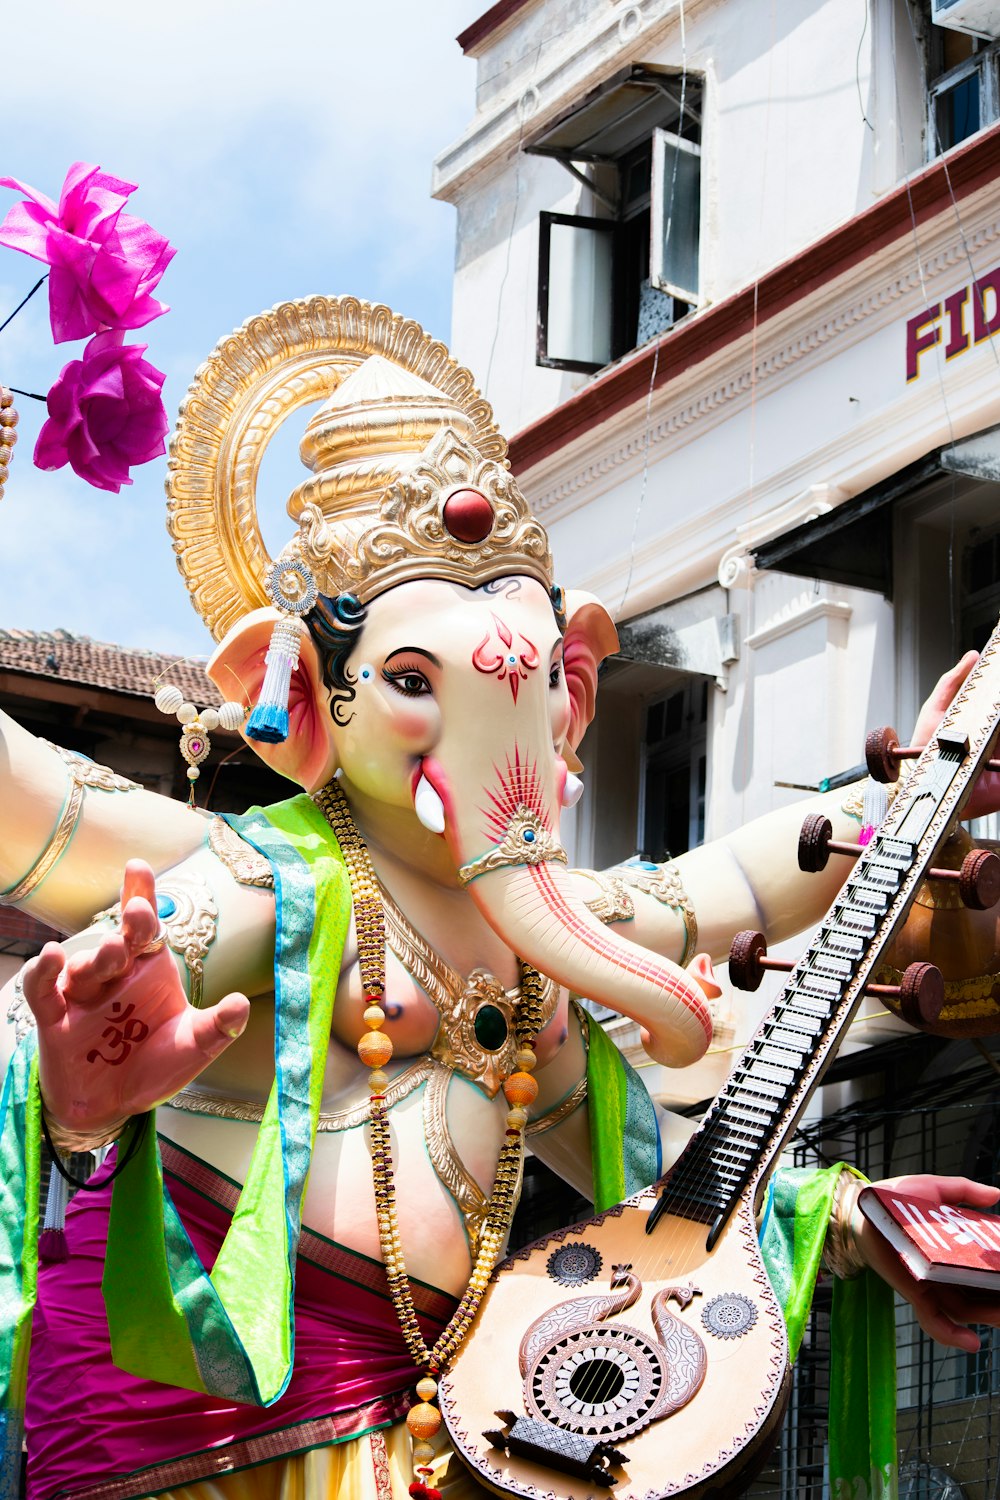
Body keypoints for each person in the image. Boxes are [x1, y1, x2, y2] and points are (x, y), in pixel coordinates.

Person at [1, 297, 998, 1500]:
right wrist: (72, 1106)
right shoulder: (262, 886)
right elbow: (41, 846)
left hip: (441, 1416)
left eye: (521, 686)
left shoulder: (550, 955)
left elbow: (713, 906)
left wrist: (921, 802)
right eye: (413, 683)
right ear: (307, 696)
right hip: (190, 1433)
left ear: (568, 687)